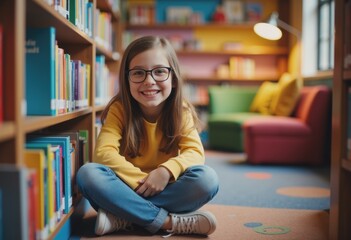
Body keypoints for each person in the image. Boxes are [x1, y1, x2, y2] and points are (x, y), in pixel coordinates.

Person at [76, 35, 219, 237]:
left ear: (174, 78)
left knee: (207, 179)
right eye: (138, 73)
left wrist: (165, 172)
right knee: (88, 174)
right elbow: (103, 153)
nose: (149, 81)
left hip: (162, 186)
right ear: (127, 79)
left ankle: (125, 217)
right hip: (125, 187)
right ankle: (168, 222)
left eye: (160, 71)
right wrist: (143, 182)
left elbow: (195, 152)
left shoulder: (181, 110)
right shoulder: (120, 110)